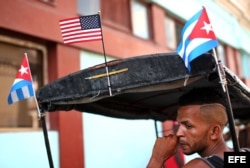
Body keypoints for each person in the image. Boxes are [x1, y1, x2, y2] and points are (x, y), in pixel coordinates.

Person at [147, 87, 232, 168]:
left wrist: (157, 159)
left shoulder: (198, 166)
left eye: (188, 126)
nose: (178, 133)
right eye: (179, 124)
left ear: (214, 131)